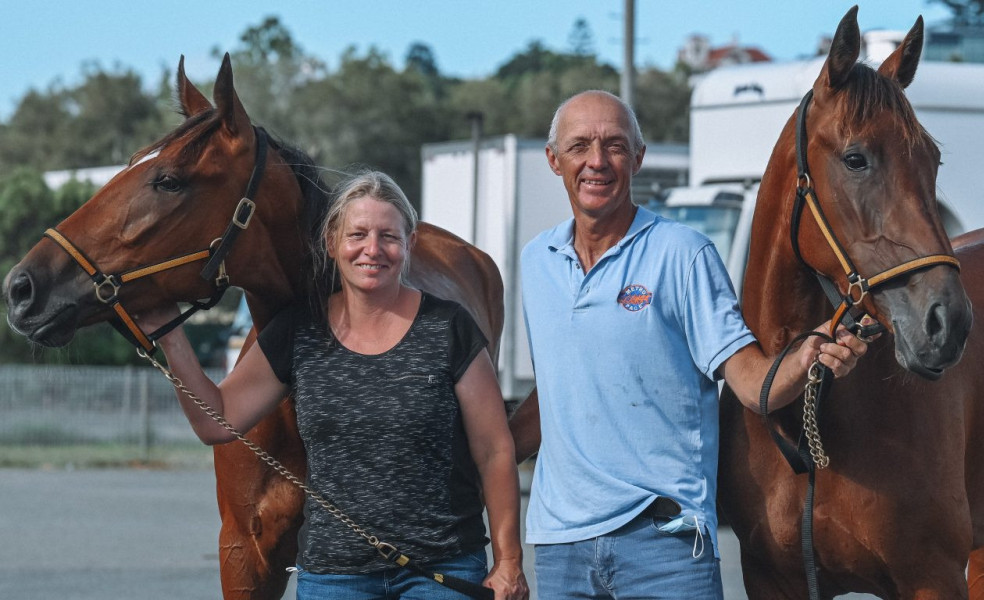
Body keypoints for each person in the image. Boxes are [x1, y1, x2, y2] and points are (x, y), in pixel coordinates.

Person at [511, 90, 870, 598]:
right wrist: (474, 455)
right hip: (560, 547)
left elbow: (749, 382)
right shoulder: (537, 259)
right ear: (553, 160)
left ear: (638, 158)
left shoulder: (683, 254)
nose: (597, 161)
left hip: (665, 546)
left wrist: (807, 356)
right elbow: (557, 391)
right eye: (579, 146)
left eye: (615, 145)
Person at [138, 171, 528, 600]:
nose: (372, 249)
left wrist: (508, 561)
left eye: (389, 237)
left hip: (441, 571)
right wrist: (172, 338)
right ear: (331, 242)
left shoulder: (449, 328)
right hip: (335, 579)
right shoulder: (299, 332)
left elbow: (494, 450)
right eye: (357, 234)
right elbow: (218, 421)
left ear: (410, 244)